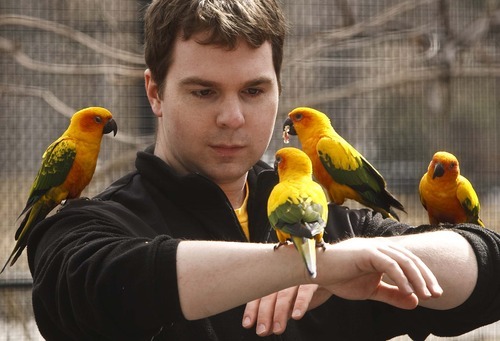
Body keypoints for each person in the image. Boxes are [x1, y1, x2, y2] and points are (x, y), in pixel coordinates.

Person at [26, 0, 500, 340]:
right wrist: (314, 265)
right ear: (155, 93)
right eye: (203, 91)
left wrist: (356, 256)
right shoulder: (90, 227)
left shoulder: (334, 221)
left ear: (278, 89)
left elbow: (489, 263)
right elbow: (100, 289)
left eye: (254, 91)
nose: (232, 118)